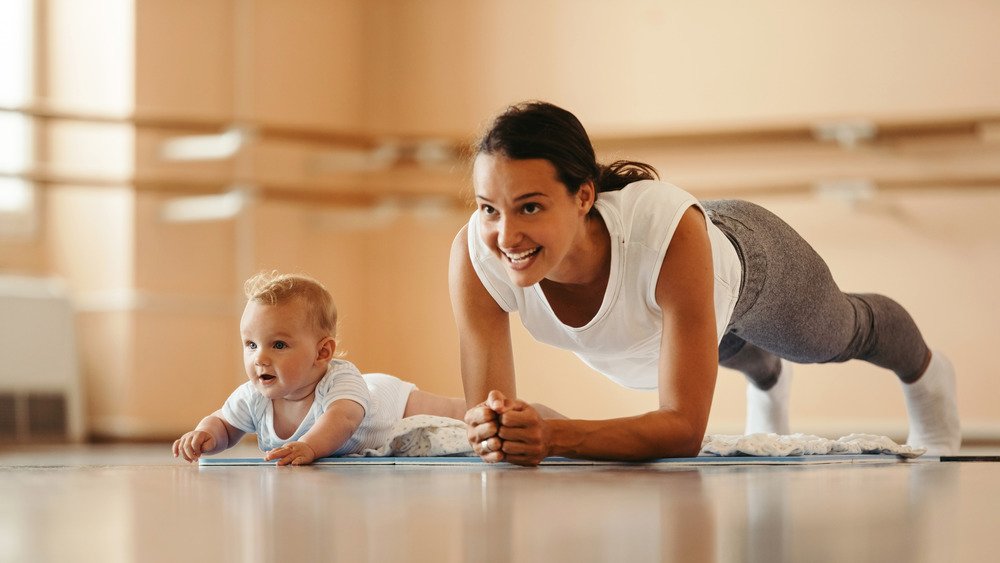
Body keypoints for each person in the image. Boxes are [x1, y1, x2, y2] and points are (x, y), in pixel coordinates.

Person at [450, 101, 961, 466]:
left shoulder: (666, 239)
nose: (505, 234)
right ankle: (768, 379)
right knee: (722, 344)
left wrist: (553, 435)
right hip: (680, 298)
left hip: (749, 264)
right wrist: (499, 430)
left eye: (530, 207)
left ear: (584, 196)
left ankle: (930, 377)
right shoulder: (477, 256)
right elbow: (487, 420)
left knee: (839, 334)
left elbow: (682, 428)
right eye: (489, 208)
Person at [173, 271, 466, 465]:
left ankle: (495, 408)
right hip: (363, 403)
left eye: (278, 345)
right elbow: (225, 423)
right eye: (251, 345)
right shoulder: (254, 397)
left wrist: (309, 446)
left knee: (452, 412)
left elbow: (343, 420)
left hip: (384, 401)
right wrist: (206, 435)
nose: (259, 358)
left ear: (322, 352)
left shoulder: (338, 380)